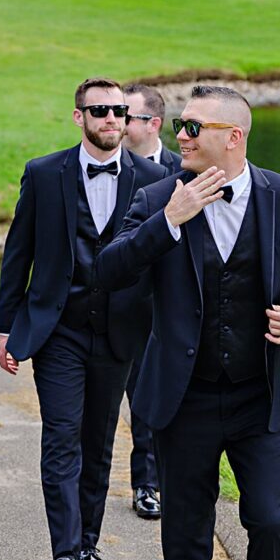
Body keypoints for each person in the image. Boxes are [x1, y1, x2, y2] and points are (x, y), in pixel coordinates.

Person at [96, 85, 280, 560]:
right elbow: (108, 271)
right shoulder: (157, 198)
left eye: (194, 127)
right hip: (183, 397)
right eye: (180, 126)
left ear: (234, 136)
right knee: (186, 538)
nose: (182, 137)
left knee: (271, 521)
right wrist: (169, 220)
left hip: (261, 395)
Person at [0, 78, 166, 560]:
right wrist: (5, 327)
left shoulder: (155, 178)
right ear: (79, 117)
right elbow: (18, 253)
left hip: (119, 334)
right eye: (100, 111)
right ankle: (66, 552)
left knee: (98, 442)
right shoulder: (44, 173)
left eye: (119, 111)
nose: (111, 119)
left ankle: (89, 545)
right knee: (61, 437)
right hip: (58, 331)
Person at [118, 82, 183, 519]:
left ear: (153, 124)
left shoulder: (184, 170)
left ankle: (153, 483)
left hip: (169, 307)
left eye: (127, 116)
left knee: (158, 398)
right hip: (120, 301)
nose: (116, 123)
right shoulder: (107, 164)